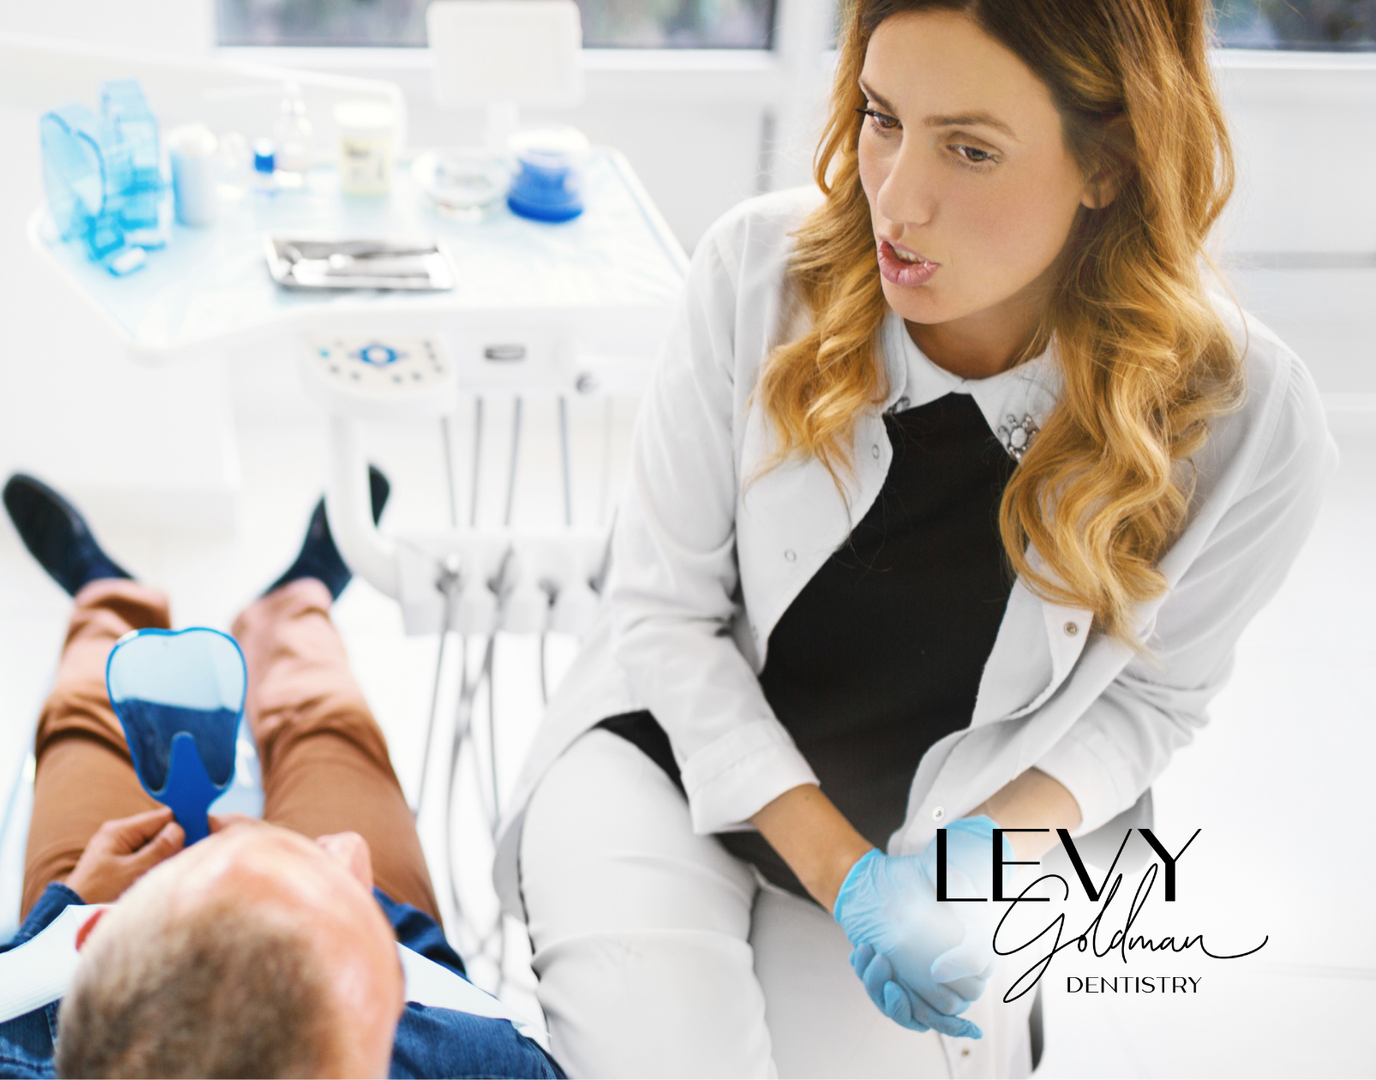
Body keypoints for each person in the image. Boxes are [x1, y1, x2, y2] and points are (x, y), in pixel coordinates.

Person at [495, 0, 1337, 1075]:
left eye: (970, 149)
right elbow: (665, 617)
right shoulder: (759, 274)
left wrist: (972, 864)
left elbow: (1149, 703)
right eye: (881, 117)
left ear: (1112, 160)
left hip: (927, 839)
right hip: (665, 755)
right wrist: (848, 877)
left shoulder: (1243, 419)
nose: (895, 199)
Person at [0, 473, 563, 1079]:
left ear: (96, 936)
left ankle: (106, 596)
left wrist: (63, 906)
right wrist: (351, 909)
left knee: (83, 727)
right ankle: (296, 604)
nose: (345, 856)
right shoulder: (488, 1065)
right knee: (330, 732)